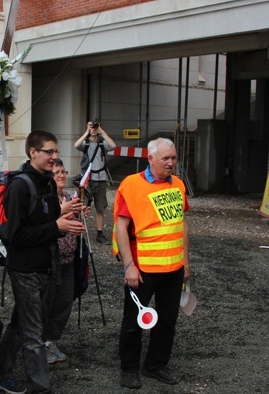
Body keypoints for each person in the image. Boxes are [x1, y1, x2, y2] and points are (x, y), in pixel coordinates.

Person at [0, 130, 84, 394]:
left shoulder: (49, 182)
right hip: (26, 270)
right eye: (49, 151)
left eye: (56, 151)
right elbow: (16, 236)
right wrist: (56, 226)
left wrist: (66, 220)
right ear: (33, 153)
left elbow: (47, 220)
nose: (54, 157)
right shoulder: (20, 186)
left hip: (47, 266)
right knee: (33, 334)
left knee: (21, 325)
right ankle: (42, 388)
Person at [113, 137, 190, 389]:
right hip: (143, 269)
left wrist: (185, 262)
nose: (171, 163)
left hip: (173, 268)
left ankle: (156, 365)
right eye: (166, 158)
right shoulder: (131, 185)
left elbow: (182, 224)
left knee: (168, 320)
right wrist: (128, 265)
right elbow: (121, 228)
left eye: (174, 158)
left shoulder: (178, 185)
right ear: (150, 159)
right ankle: (129, 368)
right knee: (135, 320)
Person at [42, 158, 88, 364]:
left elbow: (75, 222)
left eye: (63, 171)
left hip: (69, 260)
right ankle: (40, 343)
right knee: (46, 303)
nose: (61, 175)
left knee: (64, 302)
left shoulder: (70, 197)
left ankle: (50, 341)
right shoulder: (45, 200)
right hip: (49, 262)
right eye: (56, 172)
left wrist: (81, 214)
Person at [74, 120, 116, 245]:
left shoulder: (103, 143)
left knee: (100, 208)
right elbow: (76, 145)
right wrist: (87, 131)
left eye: (94, 126)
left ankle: (100, 234)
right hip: (88, 180)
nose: (93, 128)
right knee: (82, 207)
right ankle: (79, 234)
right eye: (91, 126)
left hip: (101, 179)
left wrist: (101, 131)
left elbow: (113, 146)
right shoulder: (86, 143)